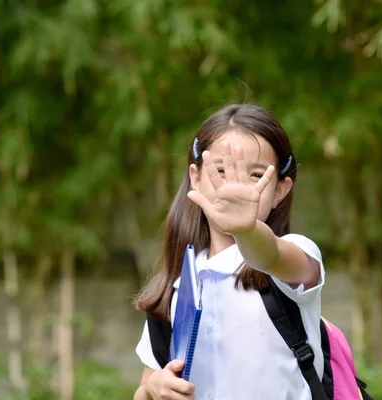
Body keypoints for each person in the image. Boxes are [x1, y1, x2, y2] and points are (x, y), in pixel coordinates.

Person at [133, 104, 326, 400]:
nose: (233, 186)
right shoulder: (178, 284)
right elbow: (145, 387)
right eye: (221, 171)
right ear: (195, 177)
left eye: (255, 175)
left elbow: (270, 254)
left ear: (280, 190)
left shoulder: (297, 255)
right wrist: (151, 391)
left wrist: (246, 229)